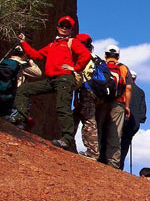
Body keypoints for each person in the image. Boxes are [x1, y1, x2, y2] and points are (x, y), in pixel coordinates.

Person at [12, 16, 91, 149]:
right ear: (57, 27)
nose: (64, 28)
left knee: (62, 108)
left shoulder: (72, 42)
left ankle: (66, 139)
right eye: (62, 26)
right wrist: (23, 43)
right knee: (24, 89)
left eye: (67, 27)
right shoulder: (52, 44)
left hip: (64, 79)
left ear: (71, 30)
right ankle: (21, 120)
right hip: (51, 80)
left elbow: (86, 55)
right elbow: (37, 55)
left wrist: (76, 68)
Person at [95, 45, 132, 169]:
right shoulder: (123, 68)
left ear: (105, 55)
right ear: (118, 56)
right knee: (115, 134)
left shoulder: (100, 65)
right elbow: (128, 88)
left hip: (101, 101)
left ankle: (95, 155)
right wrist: (127, 106)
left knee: (98, 128)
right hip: (118, 103)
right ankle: (113, 163)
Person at [72, 33, 101, 161]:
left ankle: (93, 152)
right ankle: (68, 141)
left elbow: (80, 77)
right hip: (94, 93)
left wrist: (77, 96)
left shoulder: (84, 57)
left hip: (86, 91)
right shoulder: (96, 58)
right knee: (77, 115)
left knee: (89, 120)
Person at [0, 45, 42, 119]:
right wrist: (30, 60)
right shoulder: (22, 66)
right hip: (13, 95)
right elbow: (38, 73)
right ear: (25, 54)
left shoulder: (4, 62)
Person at [120, 70, 147, 170]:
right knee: (125, 145)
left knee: (114, 141)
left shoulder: (123, 88)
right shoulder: (140, 92)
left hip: (121, 119)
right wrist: (139, 120)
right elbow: (143, 111)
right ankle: (120, 166)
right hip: (133, 124)